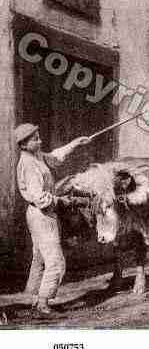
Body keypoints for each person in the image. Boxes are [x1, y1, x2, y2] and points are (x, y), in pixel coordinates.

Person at [14, 123, 90, 317]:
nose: (39, 141)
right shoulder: (29, 165)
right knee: (56, 262)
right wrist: (63, 201)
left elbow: (55, 158)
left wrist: (75, 143)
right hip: (42, 215)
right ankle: (43, 304)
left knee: (39, 259)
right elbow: (40, 198)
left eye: (39, 136)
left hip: (40, 215)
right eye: (35, 139)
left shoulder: (36, 156)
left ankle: (33, 298)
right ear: (23, 144)